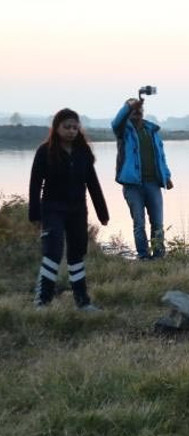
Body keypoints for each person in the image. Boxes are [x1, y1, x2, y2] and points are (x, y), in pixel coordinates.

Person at [29, 108, 109, 309]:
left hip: (77, 210)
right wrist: (34, 214)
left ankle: (82, 302)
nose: (72, 131)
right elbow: (35, 184)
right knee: (53, 253)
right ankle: (42, 302)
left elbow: (93, 184)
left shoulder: (84, 153)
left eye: (75, 127)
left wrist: (102, 213)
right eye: (67, 127)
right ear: (56, 128)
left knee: (76, 255)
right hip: (52, 209)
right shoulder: (44, 151)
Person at [111, 97, 173, 260]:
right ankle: (143, 256)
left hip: (153, 183)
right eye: (134, 110)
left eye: (139, 109)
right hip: (133, 185)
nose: (137, 112)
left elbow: (161, 156)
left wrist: (166, 176)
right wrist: (128, 106)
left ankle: (159, 256)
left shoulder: (151, 131)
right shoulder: (123, 132)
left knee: (158, 223)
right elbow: (116, 123)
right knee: (139, 223)